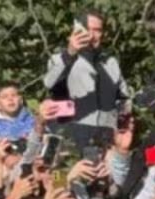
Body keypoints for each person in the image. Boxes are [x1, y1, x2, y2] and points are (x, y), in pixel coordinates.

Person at [43, 9, 132, 147]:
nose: (91, 36)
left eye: (97, 30)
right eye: (87, 29)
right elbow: (49, 83)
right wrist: (70, 52)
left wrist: (122, 127)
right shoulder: (61, 59)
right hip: (71, 132)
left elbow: (124, 99)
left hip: (106, 134)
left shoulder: (111, 63)